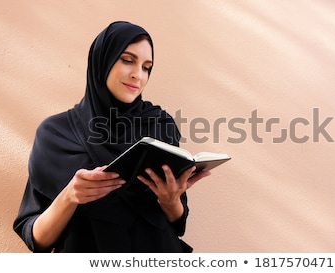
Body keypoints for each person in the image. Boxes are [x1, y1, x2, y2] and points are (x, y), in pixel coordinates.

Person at [13, 21, 210, 253]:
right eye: (127, 60)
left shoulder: (159, 124)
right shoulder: (55, 133)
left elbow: (177, 222)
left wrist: (171, 201)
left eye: (147, 67)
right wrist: (70, 196)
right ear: (103, 60)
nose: (138, 75)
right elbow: (37, 240)